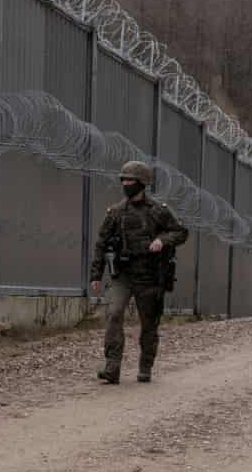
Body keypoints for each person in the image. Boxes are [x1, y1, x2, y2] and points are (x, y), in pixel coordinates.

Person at [90, 160, 189, 384]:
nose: (126, 184)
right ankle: (112, 367)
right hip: (123, 274)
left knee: (149, 323)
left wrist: (162, 240)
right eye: (123, 180)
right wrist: (96, 274)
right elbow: (101, 243)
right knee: (114, 313)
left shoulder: (158, 211)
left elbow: (181, 232)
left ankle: (145, 367)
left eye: (130, 180)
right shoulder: (116, 212)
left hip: (150, 276)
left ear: (142, 183)